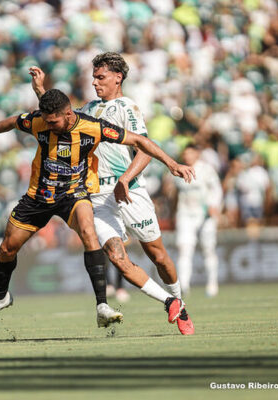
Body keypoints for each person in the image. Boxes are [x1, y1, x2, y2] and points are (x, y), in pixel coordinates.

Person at [0, 89, 195, 328]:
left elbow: (140, 141)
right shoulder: (39, 120)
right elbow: (12, 122)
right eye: (46, 121)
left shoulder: (93, 127)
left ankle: (102, 305)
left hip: (74, 194)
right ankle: (0, 299)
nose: (49, 126)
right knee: (8, 249)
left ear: (68, 114)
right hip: (39, 196)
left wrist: (172, 164)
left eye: (54, 121)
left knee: (89, 233)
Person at [29, 52, 195, 335]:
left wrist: (128, 178)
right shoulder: (88, 107)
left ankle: (179, 300)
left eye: (100, 77)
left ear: (118, 78)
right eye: (93, 77)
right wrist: (41, 91)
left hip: (130, 192)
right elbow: (60, 117)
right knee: (117, 257)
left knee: (157, 254)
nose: (94, 82)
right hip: (97, 196)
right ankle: (171, 304)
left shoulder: (126, 107)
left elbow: (143, 146)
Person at [173, 144, 223, 297]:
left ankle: (212, 283)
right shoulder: (178, 170)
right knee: (184, 249)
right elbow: (175, 194)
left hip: (204, 214)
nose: (187, 156)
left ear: (197, 154)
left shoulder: (206, 169)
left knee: (208, 249)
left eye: (190, 153)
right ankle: (184, 285)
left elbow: (217, 189)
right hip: (185, 214)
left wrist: (214, 205)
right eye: (185, 153)